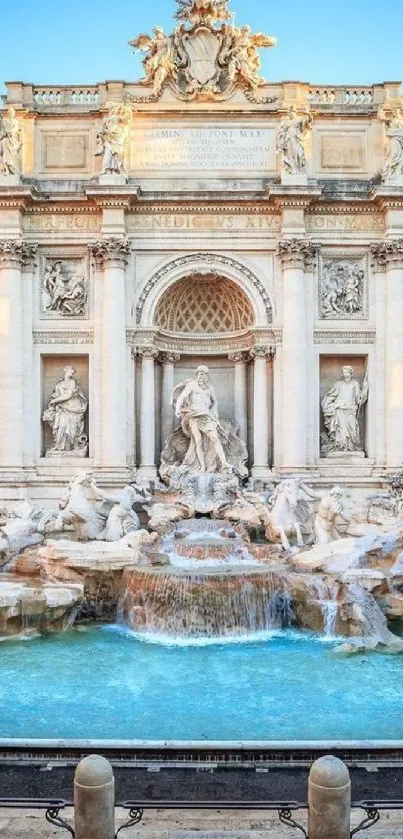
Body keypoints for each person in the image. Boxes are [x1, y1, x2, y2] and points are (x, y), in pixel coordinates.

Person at [174, 366, 230, 473]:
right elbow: (181, 397)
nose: (200, 376)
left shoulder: (209, 388)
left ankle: (224, 462)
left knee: (215, 438)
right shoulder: (192, 385)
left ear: (206, 376)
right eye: (199, 374)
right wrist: (177, 409)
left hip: (206, 416)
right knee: (198, 441)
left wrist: (214, 414)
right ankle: (202, 466)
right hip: (194, 416)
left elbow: (214, 402)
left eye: (203, 374)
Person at [321, 366, 368, 453]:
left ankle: (351, 447)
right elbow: (330, 396)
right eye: (344, 372)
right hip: (340, 410)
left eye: (347, 372)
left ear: (351, 373)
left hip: (351, 410)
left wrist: (365, 389)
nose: (345, 374)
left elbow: (359, 399)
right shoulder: (339, 384)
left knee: (352, 429)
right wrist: (332, 405)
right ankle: (341, 447)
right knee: (341, 430)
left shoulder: (355, 384)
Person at [43, 367, 88, 454]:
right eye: (70, 372)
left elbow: (68, 395)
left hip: (73, 407)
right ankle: (59, 446)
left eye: (73, 372)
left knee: (72, 429)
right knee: (62, 426)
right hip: (62, 408)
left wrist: (55, 401)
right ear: (65, 372)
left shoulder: (72, 383)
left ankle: (70, 447)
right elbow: (55, 395)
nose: (71, 374)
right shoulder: (59, 384)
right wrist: (53, 402)